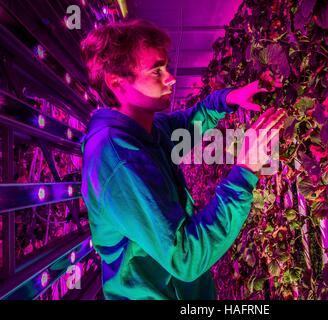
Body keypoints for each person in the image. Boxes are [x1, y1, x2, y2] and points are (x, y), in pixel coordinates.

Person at [80, 19, 286, 300]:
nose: (170, 78)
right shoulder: (116, 157)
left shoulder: (143, 128)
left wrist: (229, 100)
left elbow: (189, 122)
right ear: (117, 82)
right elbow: (185, 257)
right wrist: (246, 169)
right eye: (156, 71)